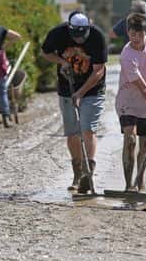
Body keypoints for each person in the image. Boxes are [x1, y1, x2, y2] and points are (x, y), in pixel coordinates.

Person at [41, 11, 107, 193]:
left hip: (93, 89)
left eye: (82, 35)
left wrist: (81, 92)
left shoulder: (97, 36)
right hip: (67, 89)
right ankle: (77, 175)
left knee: (87, 128)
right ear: (69, 29)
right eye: (75, 36)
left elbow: (99, 70)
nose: (79, 40)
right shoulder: (57, 33)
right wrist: (62, 62)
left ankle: (88, 173)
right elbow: (45, 52)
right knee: (72, 133)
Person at [115, 13, 146, 192]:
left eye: (139, 35)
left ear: (145, 32)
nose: (135, 39)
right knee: (130, 139)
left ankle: (141, 182)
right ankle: (129, 185)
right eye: (131, 35)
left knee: (145, 146)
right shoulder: (127, 56)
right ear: (127, 33)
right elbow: (143, 88)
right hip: (127, 101)